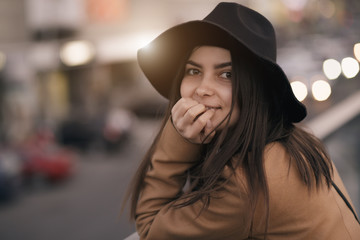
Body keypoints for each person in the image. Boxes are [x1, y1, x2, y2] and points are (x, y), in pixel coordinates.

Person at [125, 2, 360, 239]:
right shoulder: (294, 142)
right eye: (194, 71)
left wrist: (178, 139)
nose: (203, 89)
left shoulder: (246, 183)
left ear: (254, 90)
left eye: (226, 75)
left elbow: (150, 228)